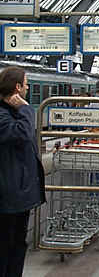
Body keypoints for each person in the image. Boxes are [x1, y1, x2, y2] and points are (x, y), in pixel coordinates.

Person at [0, 66, 46, 277]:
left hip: (17, 195)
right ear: (18, 87)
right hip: (8, 196)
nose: (28, 88)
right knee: (7, 247)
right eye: (26, 84)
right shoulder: (3, 114)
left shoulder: (11, 113)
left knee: (17, 244)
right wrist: (27, 109)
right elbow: (21, 135)